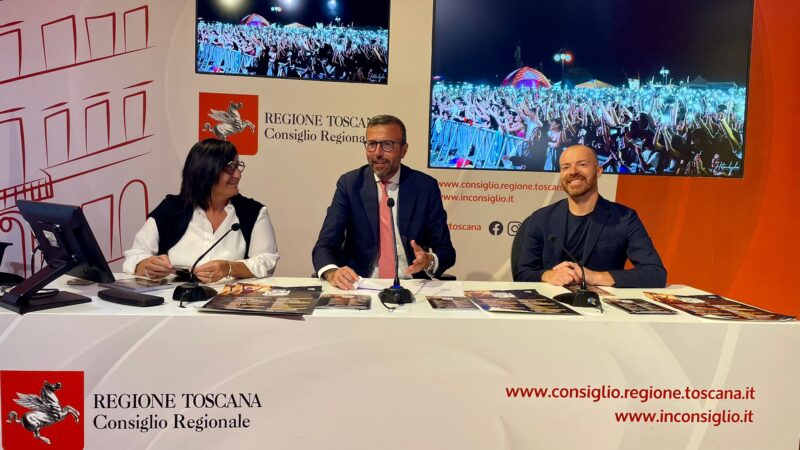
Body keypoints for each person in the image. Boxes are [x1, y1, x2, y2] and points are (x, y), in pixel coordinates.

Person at [312, 114, 456, 290]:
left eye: (387, 145)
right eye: (372, 144)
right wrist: (332, 272)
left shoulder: (425, 187)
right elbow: (325, 245)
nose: (378, 153)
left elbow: (446, 250)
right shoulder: (350, 184)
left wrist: (428, 260)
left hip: (412, 287)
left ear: (404, 150)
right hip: (360, 285)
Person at [122, 138, 279, 283]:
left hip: (228, 300)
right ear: (207, 171)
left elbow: (267, 262)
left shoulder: (253, 212)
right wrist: (147, 266)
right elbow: (135, 256)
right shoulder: (171, 208)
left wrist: (229, 268)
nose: (237, 175)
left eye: (237, 167)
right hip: (172, 300)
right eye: (230, 168)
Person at [514, 144, 666, 288]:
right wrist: (549, 275)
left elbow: (655, 274)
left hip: (602, 305)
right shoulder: (540, 219)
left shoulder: (625, 218)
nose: (573, 171)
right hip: (551, 304)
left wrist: (594, 277)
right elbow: (523, 273)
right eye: (566, 167)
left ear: (598, 171)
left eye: (582, 165)